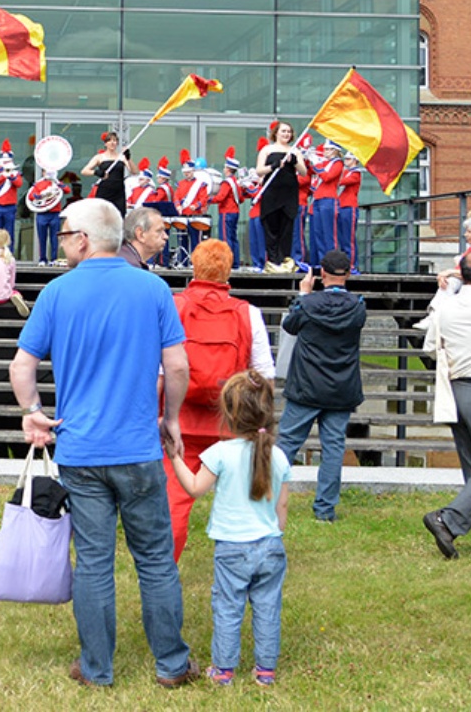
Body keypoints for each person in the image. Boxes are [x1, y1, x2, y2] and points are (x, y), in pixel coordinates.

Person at [9, 197, 198, 689]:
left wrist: (33, 415)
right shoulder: (154, 289)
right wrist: (171, 419)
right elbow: (177, 366)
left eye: (65, 231)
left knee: (94, 561)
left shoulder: (56, 293)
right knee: (155, 559)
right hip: (137, 448)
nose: (61, 239)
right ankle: (172, 666)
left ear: (86, 239)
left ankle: (96, 668)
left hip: (81, 451)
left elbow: (21, 365)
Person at [166, 370, 290, 687]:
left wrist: (175, 456)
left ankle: (223, 670)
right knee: (267, 609)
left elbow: (194, 488)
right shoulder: (277, 456)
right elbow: (282, 509)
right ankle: (265, 671)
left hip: (233, 548)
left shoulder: (219, 454)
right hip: (270, 546)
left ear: (229, 415)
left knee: (228, 608)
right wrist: (275, 532)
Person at [165, 240, 275, 560]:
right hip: (234, 424)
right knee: (244, 503)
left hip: (180, 420)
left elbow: (160, 368)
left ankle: (163, 570)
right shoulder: (248, 313)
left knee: (173, 503)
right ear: (228, 271)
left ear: (194, 267)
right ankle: (246, 567)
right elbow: (264, 376)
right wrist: (262, 425)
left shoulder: (175, 306)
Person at [276, 249, 366, 523]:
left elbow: (290, 326)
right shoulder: (358, 305)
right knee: (333, 449)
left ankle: (268, 500)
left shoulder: (309, 304)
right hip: (341, 387)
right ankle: (325, 510)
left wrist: (303, 294)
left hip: (306, 385)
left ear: (321, 274)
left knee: (286, 445)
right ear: (348, 274)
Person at [420, 252, 471, 558]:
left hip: (452, 387)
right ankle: (448, 521)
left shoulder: (445, 305)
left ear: (462, 276)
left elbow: (429, 346)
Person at [256, 122, 308, 271]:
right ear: (276, 133)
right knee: (271, 228)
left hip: (289, 194)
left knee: (286, 228)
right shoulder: (267, 149)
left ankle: (285, 260)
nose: (286, 134)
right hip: (272, 193)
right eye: (283, 131)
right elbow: (259, 171)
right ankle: (272, 261)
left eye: (289, 132)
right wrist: (272, 167)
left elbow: (304, 172)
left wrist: (295, 162)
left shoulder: (295, 151)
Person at [81, 132, 129, 216]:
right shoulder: (99, 157)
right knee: (102, 216)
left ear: (117, 143)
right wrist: (96, 172)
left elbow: (134, 171)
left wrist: (128, 159)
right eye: (109, 140)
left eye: (114, 140)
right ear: (105, 143)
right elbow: (84, 171)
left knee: (119, 217)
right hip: (105, 190)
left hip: (119, 192)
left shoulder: (121, 157)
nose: (112, 143)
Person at [212, 148, 243, 269]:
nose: (224, 169)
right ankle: (235, 263)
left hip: (226, 212)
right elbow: (241, 199)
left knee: (225, 238)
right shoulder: (236, 182)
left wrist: (208, 199)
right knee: (233, 238)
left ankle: (227, 263)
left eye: (225, 167)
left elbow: (220, 197)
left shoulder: (226, 183)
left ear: (229, 169)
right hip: (235, 211)